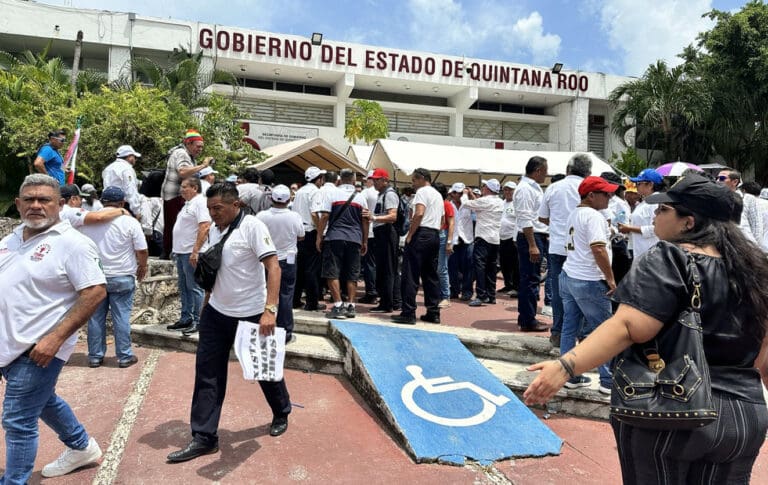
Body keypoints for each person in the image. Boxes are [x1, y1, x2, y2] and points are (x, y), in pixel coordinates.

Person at [525, 173, 768, 484]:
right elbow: (763, 355)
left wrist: (565, 366)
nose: (655, 213)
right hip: (744, 416)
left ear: (688, 222)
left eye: (665, 209)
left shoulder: (670, 257)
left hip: (674, 414)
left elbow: (629, 326)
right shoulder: (756, 271)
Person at [167, 183, 289, 464]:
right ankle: (204, 437)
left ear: (236, 205)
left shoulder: (253, 227)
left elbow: (274, 267)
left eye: (218, 208)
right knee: (207, 373)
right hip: (217, 313)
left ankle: (281, 410)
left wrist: (270, 310)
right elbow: (215, 268)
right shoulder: (213, 230)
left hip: (252, 313)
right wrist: (207, 301)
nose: (213, 213)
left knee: (262, 370)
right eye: (210, 209)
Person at [0, 174, 106, 482]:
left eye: (44, 200)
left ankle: (14, 481)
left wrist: (55, 339)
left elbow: (95, 292)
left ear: (60, 204)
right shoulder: (12, 238)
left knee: (18, 420)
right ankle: (81, 446)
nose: (36, 205)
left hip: (39, 348)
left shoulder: (74, 244)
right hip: (8, 343)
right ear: (18, 204)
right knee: (43, 400)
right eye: (29, 199)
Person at [558, 176, 618, 393]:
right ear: (591, 196)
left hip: (569, 275)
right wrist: (610, 278)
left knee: (569, 328)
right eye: (606, 193)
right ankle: (608, 381)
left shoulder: (575, 213)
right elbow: (598, 248)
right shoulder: (593, 216)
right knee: (605, 331)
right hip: (589, 279)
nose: (610, 197)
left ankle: (569, 375)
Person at [79, 186, 148, 368]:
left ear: (102, 200)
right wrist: (143, 266)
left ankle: (95, 356)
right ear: (122, 203)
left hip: (95, 277)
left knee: (95, 318)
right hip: (122, 276)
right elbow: (141, 249)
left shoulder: (89, 220)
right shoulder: (130, 222)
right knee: (121, 318)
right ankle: (124, 356)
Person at [538, 154, 592, 346]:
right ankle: (582, 334)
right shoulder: (589, 189)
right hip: (583, 248)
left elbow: (542, 218)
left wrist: (559, 223)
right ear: (588, 172)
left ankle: (559, 332)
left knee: (559, 292)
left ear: (568, 169)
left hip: (558, 246)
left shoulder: (554, 187)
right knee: (584, 291)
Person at [391, 168, 444, 325]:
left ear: (421, 178)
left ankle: (408, 312)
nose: (412, 184)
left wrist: (410, 234)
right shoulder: (438, 195)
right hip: (434, 234)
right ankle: (433, 311)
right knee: (430, 275)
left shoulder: (422, 193)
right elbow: (442, 220)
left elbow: (419, 213)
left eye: (414, 180)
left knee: (410, 274)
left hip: (421, 233)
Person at [316, 169, 369, 320]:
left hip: (334, 237)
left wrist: (319, 237)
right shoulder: (361, 198)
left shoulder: (332, 194)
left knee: (332, 272)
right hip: (355, 238)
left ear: (339, 180)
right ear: (353, 181)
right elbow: (365, 220)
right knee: (352, 273)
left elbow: (325, 215)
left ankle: (338, 305)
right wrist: (364, 240)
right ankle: (351, 305)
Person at [257, 185, 305, 341]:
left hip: (266, 258)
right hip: (287, 259)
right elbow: (301, 235)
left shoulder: (262, 216)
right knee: (286, 294)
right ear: (289, 199)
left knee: (263, 293)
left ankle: (259, 324)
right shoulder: (294, 216)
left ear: (271, 198)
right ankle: (285, 331)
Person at [168, 177, 211, 334]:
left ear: (194, 188)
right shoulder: (188, 204)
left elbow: (205, 226)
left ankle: (198, 320)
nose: (181, 189)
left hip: (190, 252)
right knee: (184, 286)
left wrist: (196, 250)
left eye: (185, 187)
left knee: (195, 287)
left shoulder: (200, 202)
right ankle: (186, 317)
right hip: (181, 252)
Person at [160, 130, 212, 258]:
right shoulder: (182, 153)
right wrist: (204, 165)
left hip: (178, 195)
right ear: (188, 143)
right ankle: (171, 252)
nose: (200, 149)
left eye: (201, 147)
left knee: (175, 224)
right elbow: (183, 172)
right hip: (176, 195)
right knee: (176, 224)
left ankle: (171, 251)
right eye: (197, 146)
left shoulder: (188, 155)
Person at [514, 156, 550, 332]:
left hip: (536, 235)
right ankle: (528, 320)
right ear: (538, 171)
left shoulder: (532, 187)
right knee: (530, 279)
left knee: (532, 278)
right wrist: (532, 244)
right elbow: (525, 218)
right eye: (545, 170)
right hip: (531, 236)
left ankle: (528, 317)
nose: (546, 174)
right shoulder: (525, 189)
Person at [462, 179, 503, 307]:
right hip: (495, 238)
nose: (482, 187)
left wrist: (464, 193)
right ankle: (491, 295)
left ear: (488, 189)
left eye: (484, 186)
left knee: (479, 266)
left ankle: (481, 295)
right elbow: (478, 205)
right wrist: (473, 195)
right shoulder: (500, 202)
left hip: (483, 238)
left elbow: (466, 204)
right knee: (491, 267)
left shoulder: (485, 201)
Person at [292, 166, 327, 311]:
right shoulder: (315, 192)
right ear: (318, 179)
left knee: (299, 268)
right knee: (312, 268)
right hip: (310, 231)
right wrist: (319, 234)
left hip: (298, 232)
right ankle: (312, 302)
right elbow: (314, 214)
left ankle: (295, 299)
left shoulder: (299, 192)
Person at [368, 168, 402, 314]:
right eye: (373, 179)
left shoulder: (389, 194)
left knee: (387, 268)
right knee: (386, 268)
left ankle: (387, 302)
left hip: (387, 232)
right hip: (383, 232)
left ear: (385, 180)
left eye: (377, 179)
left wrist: (374, 217)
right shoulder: (383, 194)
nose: (374, 182)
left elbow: (392, 216)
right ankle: (392, 301)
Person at [618, 168, 663, 260]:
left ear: (650, 185)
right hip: (641, 251)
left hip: (650, 252)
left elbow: (657, 229)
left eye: (639, 183)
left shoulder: (655, 202)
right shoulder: (645, 201)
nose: (636, 186)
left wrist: (629, 228)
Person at [448, 182, 474, 301]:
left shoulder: (468, 204)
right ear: (451, 193)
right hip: (453, 240)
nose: (457, 195)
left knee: (468, 266)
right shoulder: (448, 205)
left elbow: (478, 207)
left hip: (467, 239)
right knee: (452, 267)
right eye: (455, 192)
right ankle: (454, 290)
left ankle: (467, 291)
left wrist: (470, 194)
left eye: (460, 192)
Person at [102, 144, 144, 218]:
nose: (135, 159)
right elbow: (130, 191)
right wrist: (137, 211)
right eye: (134, 157)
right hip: (123, 206)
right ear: (129, 156)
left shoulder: (108, 168)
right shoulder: (127, 168)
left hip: (107, 205)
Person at [360, 171, 379, 304]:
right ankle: (379, 290)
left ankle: (371, 291)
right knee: (379, 263)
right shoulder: (383, 193)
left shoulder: (365, 193)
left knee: (369, 263)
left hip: (369, 230)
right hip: (381, 229)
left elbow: (362, 214)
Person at [498, 181, 519, 297]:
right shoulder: (502, 203)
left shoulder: (517, 204)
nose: (508, 192)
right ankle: (508, 284)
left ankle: (516, 286)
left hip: (513, 237)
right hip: (501, 237)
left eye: (510, 190)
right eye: (506, 189)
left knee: (515, 263)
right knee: (504, 263)